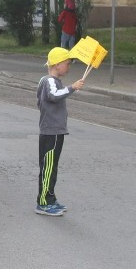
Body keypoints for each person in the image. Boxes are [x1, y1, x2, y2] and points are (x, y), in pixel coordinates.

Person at [35, 47, 85, 216]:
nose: (68, 67)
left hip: (54, 131)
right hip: (51, 132)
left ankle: (50, 198)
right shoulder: (50, 81)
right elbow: (54, 95)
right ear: (57, 65)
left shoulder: (47, 80)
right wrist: (73, 87)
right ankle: (43, 203)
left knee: (51, 167)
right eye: (67, 63)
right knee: (48, 168)